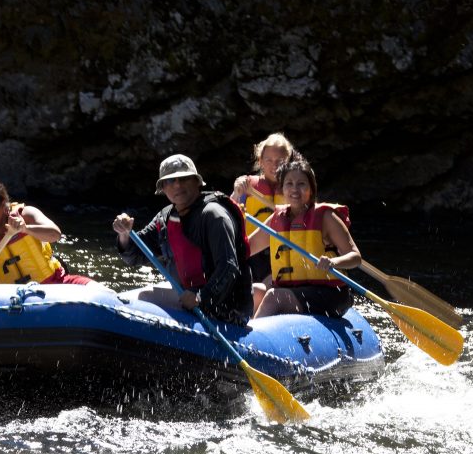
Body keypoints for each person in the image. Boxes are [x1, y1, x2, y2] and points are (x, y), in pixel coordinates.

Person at [112, 154, 253, 325]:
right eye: (170, 181)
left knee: (147, 299)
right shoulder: (165, 218)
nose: (177, 185)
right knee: (144, 297)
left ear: (197, 182)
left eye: (184, 179)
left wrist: (200, 298)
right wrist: (124, 234)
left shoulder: (214, 215)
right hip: (190, 297)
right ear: (163, 188)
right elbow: (134, 255)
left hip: (225, 309)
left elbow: (228, 267)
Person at [246, 156, 361, 319]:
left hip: (330, 294)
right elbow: (246, 248)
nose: (294, 189)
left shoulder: (325, 217)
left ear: (311, 189)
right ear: (282, 189)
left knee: (273, 297)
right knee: (254, 291)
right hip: (293, 290)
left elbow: (355, 257)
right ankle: (234, 336)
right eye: (289, 184)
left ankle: (252, 341)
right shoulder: (276, 219)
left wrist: (333, 262)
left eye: (301, 184)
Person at [0, 180, 95, 285]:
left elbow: (55, 234)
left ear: (3, 205)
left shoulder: (26, 214)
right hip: (9, 302)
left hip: (55, 283)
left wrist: (25, 229)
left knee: (103, 292)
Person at [230, 132, 298, 284]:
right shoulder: (248, 186)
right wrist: (237, 193)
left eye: (280, 161)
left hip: (283, 255)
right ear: (260, 161)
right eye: (269, 160)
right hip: (251, 252)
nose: (274, 165)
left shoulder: (296, 190)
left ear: (288, 162)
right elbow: (226, 215)